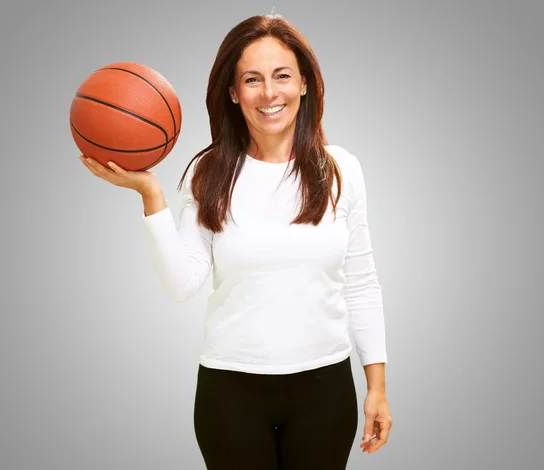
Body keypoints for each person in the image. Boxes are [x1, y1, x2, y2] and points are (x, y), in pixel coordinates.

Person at [80, 13, 392, 470]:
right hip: (231, 392)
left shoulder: (341, 169)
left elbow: (362, 283)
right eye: (252, 79)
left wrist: (377, 388)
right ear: (233, 92)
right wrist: (151, 194)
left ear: (304, 84)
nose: (269, 93)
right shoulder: (208, 173)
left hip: (325, 387)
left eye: (282, 76)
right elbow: (182, 284)